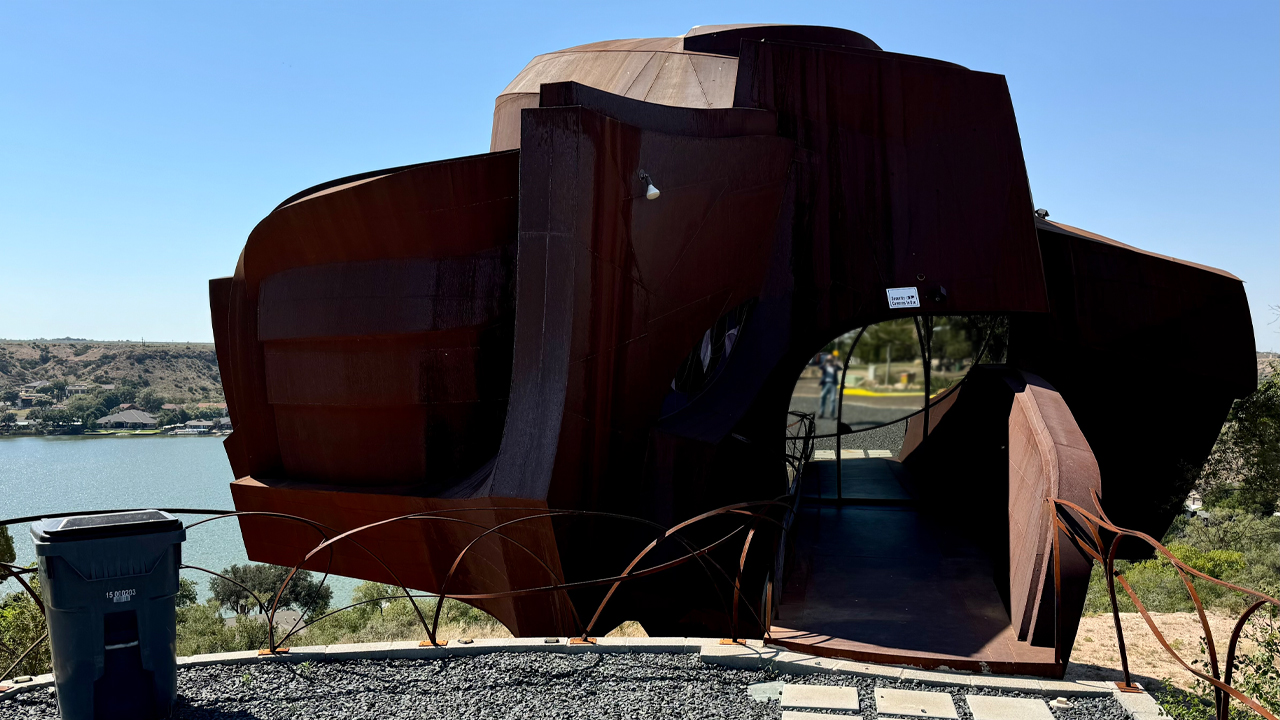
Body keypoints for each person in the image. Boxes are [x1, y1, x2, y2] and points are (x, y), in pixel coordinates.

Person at [818, 353, 841, 418]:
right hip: (825, 383)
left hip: (833, 384)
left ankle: (832, 414)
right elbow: (820, 367)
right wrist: (825, 361)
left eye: (831, 359)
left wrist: (835, 362)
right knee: (822, 397)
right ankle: (821, 413)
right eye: (829, 359)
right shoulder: (825, 365)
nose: (830, 360)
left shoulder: (835, 366)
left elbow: (840, 368)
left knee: (832, 399)